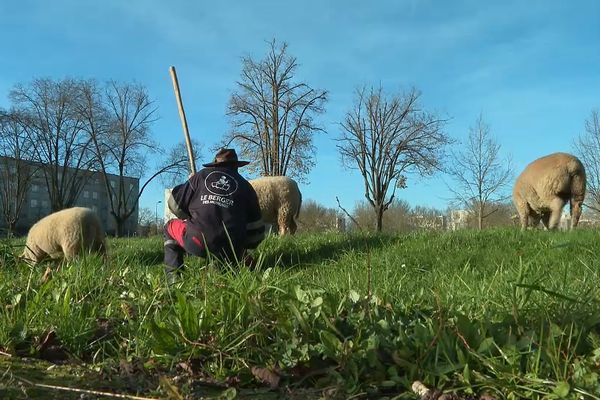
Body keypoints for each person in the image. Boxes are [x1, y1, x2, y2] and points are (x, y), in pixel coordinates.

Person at [164, 148, 265, 276]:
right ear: (236, 166)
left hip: (197, 240)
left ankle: (174, 279)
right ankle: (225, 267)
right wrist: (243, 248)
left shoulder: (200, 176)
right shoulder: (246, 187)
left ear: (215, 163)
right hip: (232, 249)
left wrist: (190, 213)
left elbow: (174, 204)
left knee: (169, 227)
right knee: (229, 246)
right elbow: (257, 233)